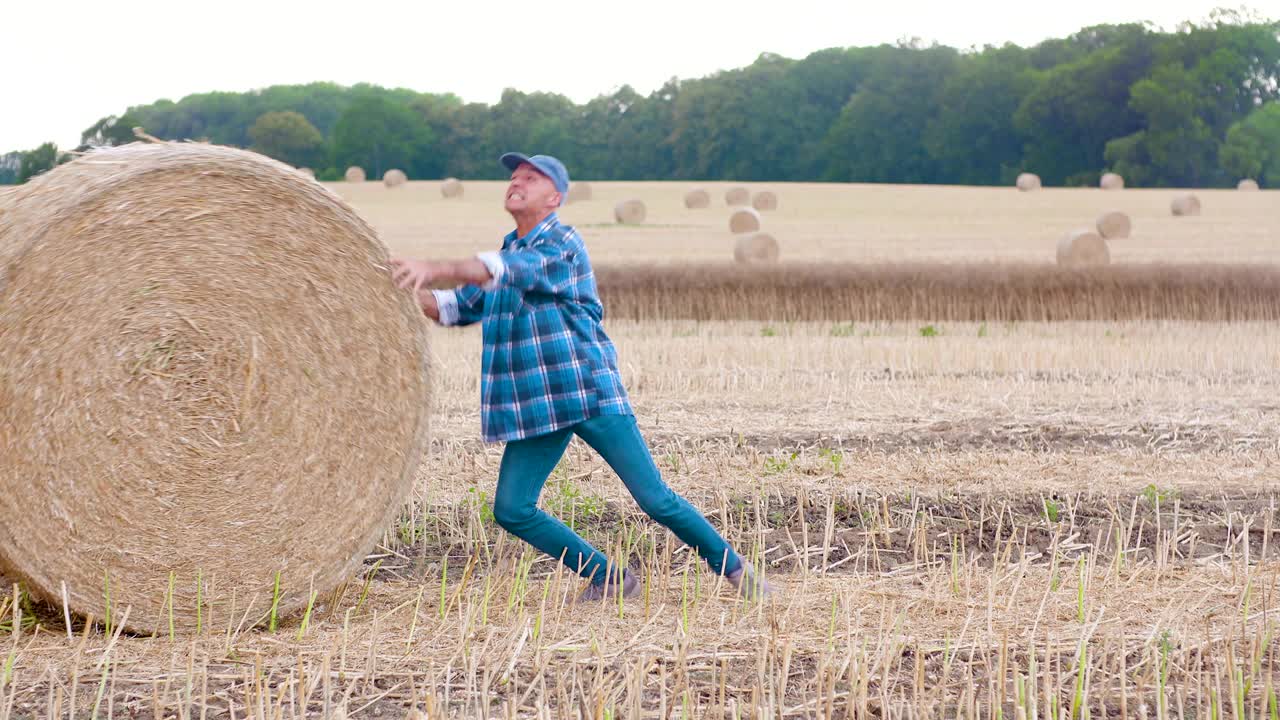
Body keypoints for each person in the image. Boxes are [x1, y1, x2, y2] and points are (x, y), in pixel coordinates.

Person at [389, 152, 772, 603]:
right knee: (512, 509)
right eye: (514, 176)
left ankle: (737, 570)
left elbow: (505, 271)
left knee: (655, 499)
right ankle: (610, 578)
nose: (517, 182)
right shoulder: (507, 253)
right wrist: (391, 286)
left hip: (588, 393)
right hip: (538, 406)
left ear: (555, 198)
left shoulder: (562, 244)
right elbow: (452, 307)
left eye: (531, 178)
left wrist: (434, 268)